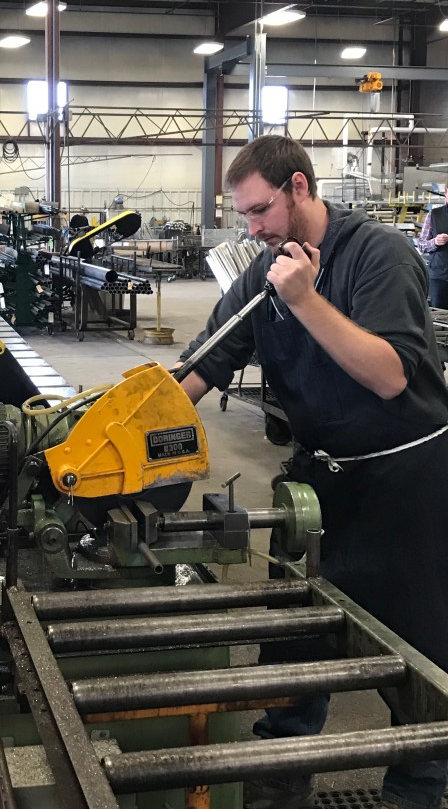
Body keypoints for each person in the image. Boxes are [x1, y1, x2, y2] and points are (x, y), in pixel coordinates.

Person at [178, 135, 448, 809]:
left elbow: (390, 375)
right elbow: (205, 363)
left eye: (260, 210)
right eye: (243, 215)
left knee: (419, 658)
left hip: (404, 487)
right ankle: (278, 783)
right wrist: (124, 422)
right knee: (294, 647)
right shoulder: (263, 271)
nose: (253, 229)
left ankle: (414, 790)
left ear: (299, 187)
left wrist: (303, 299)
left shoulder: (379, 256)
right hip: (317, 485)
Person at [417, 184, 448, 309]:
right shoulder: (434, 215)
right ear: (446, 193)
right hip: (440, 277)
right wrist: (435, 242)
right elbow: (421, 244)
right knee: (439, 315)